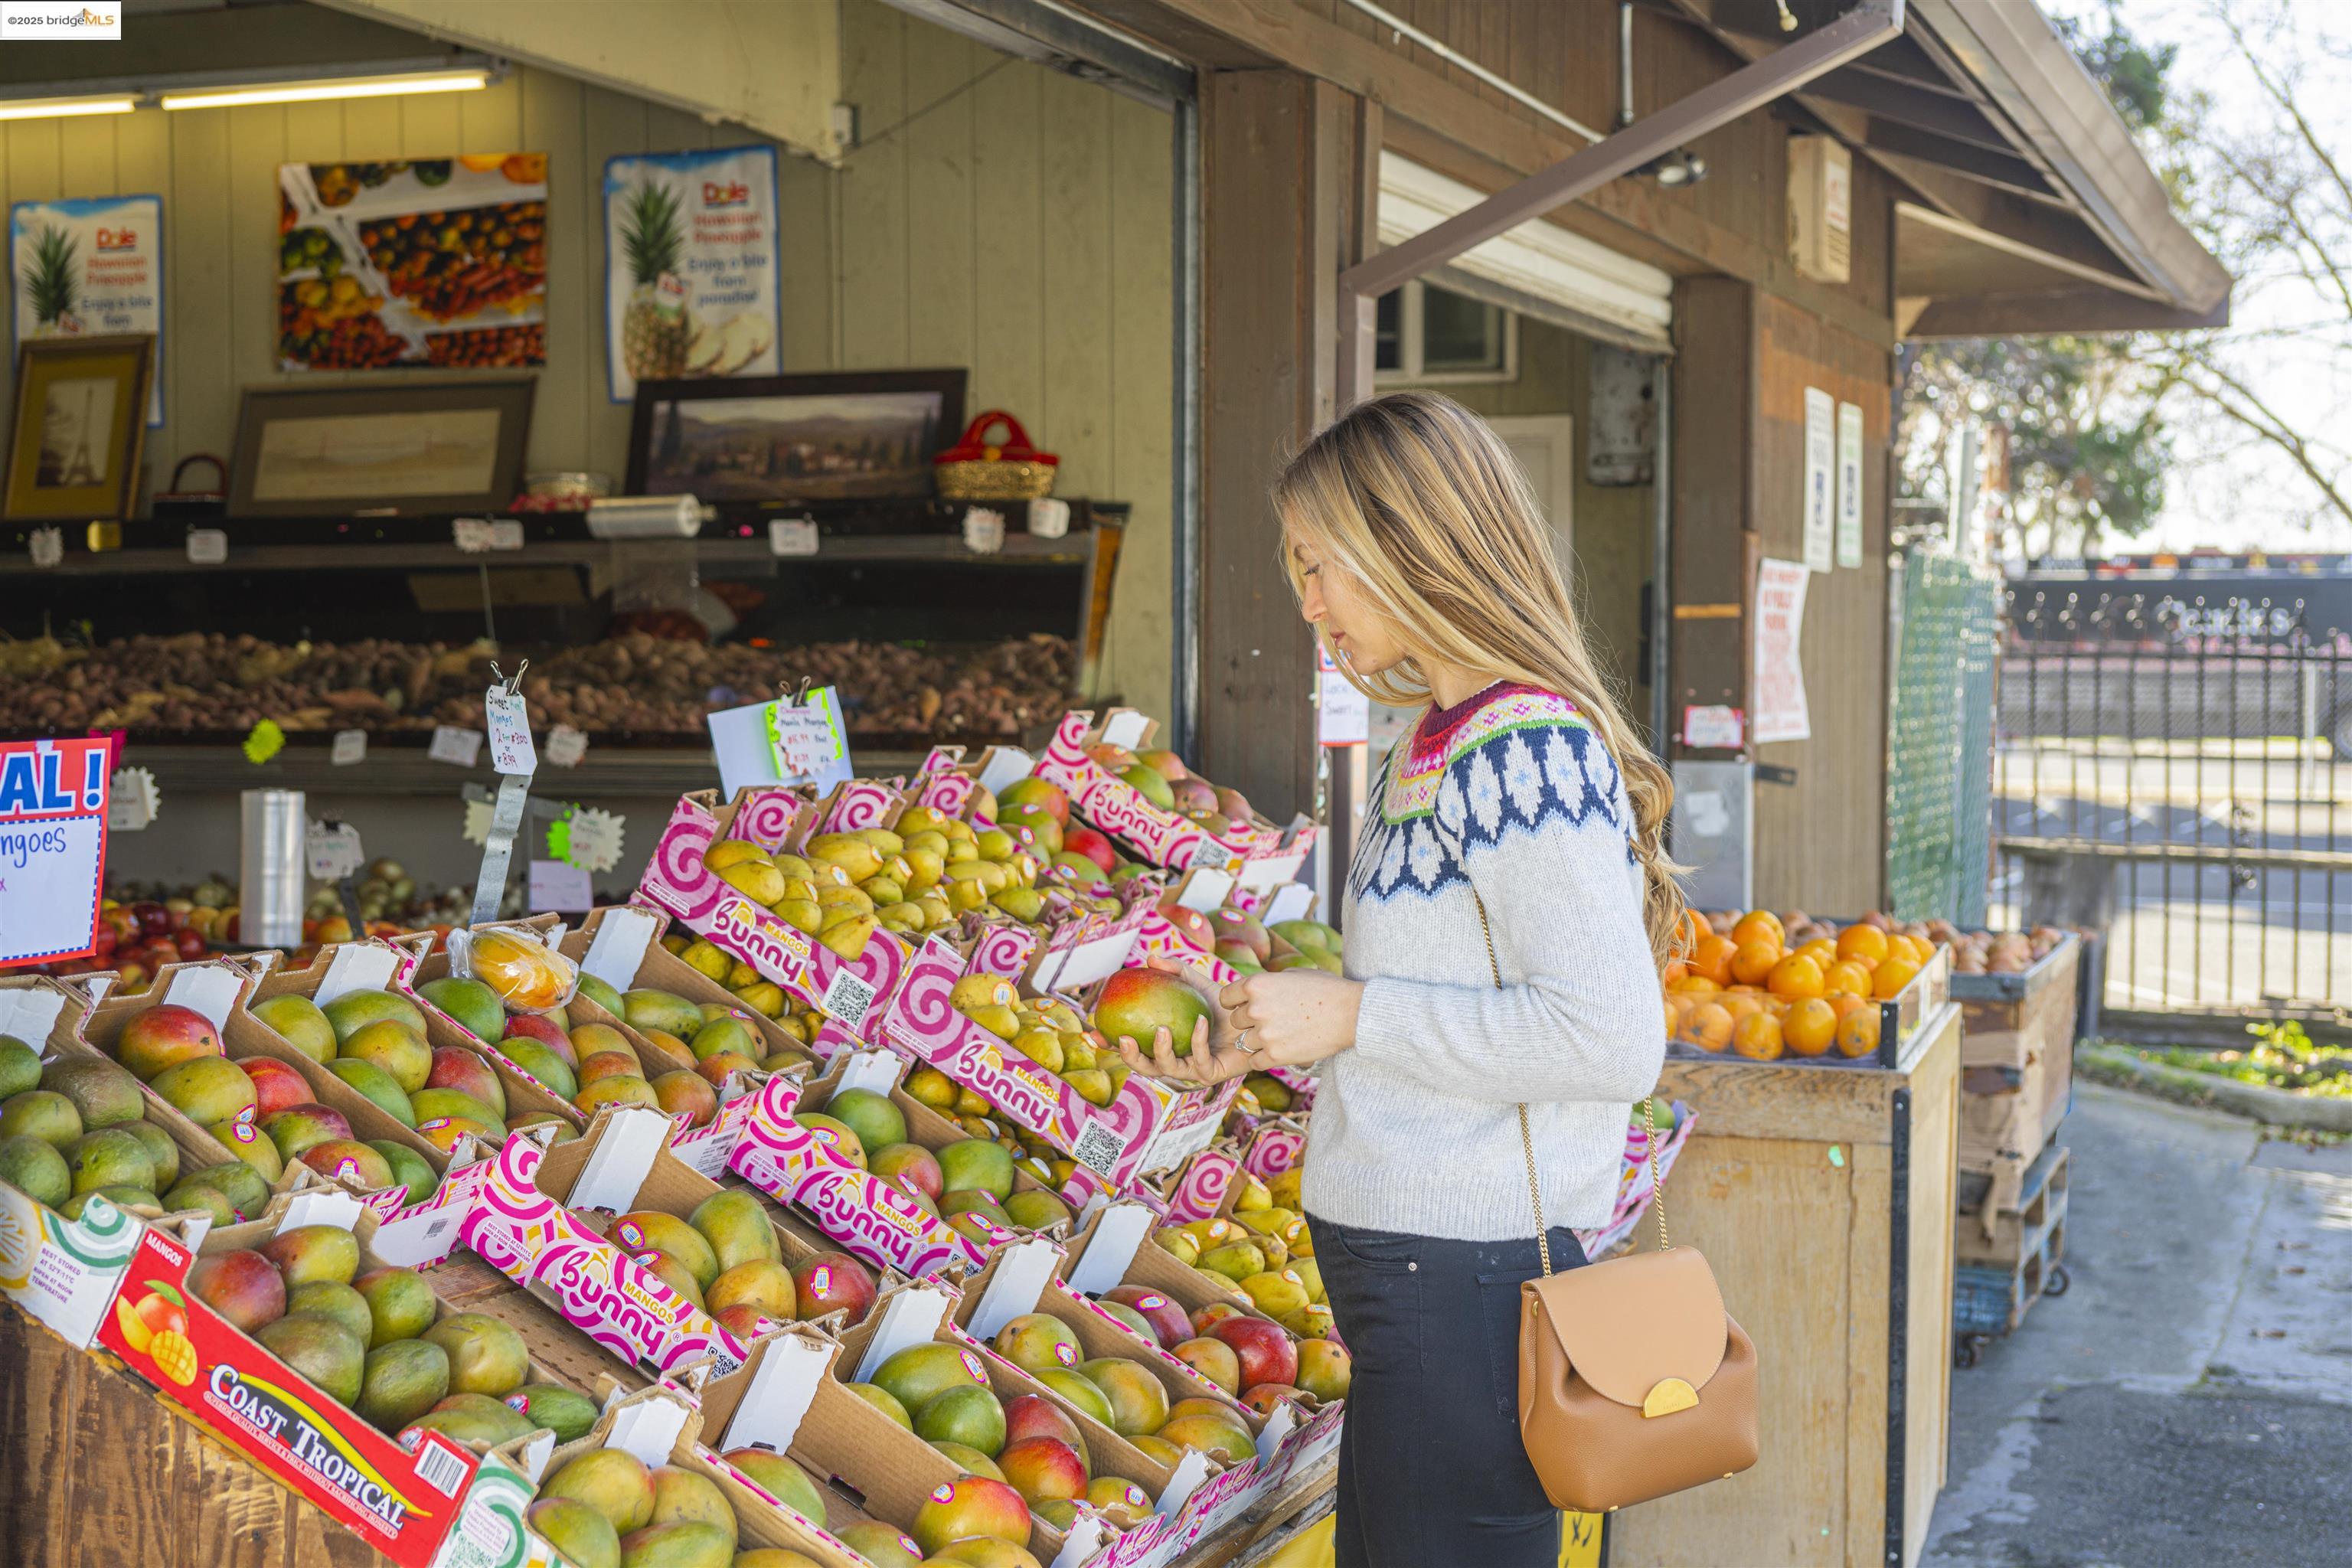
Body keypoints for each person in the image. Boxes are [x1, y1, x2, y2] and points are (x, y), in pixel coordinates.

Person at [1113, 390, 1680, 1568]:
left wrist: (1352, 1013)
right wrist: (1270, 1035)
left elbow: (1610, 1038)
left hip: (1468, 1294)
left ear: (1412, 547)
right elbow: (1442, 994)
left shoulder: (1523, 749)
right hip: (1416, 1292)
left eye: (1320, 567)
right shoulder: (1433, 739)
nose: (1309, 604)